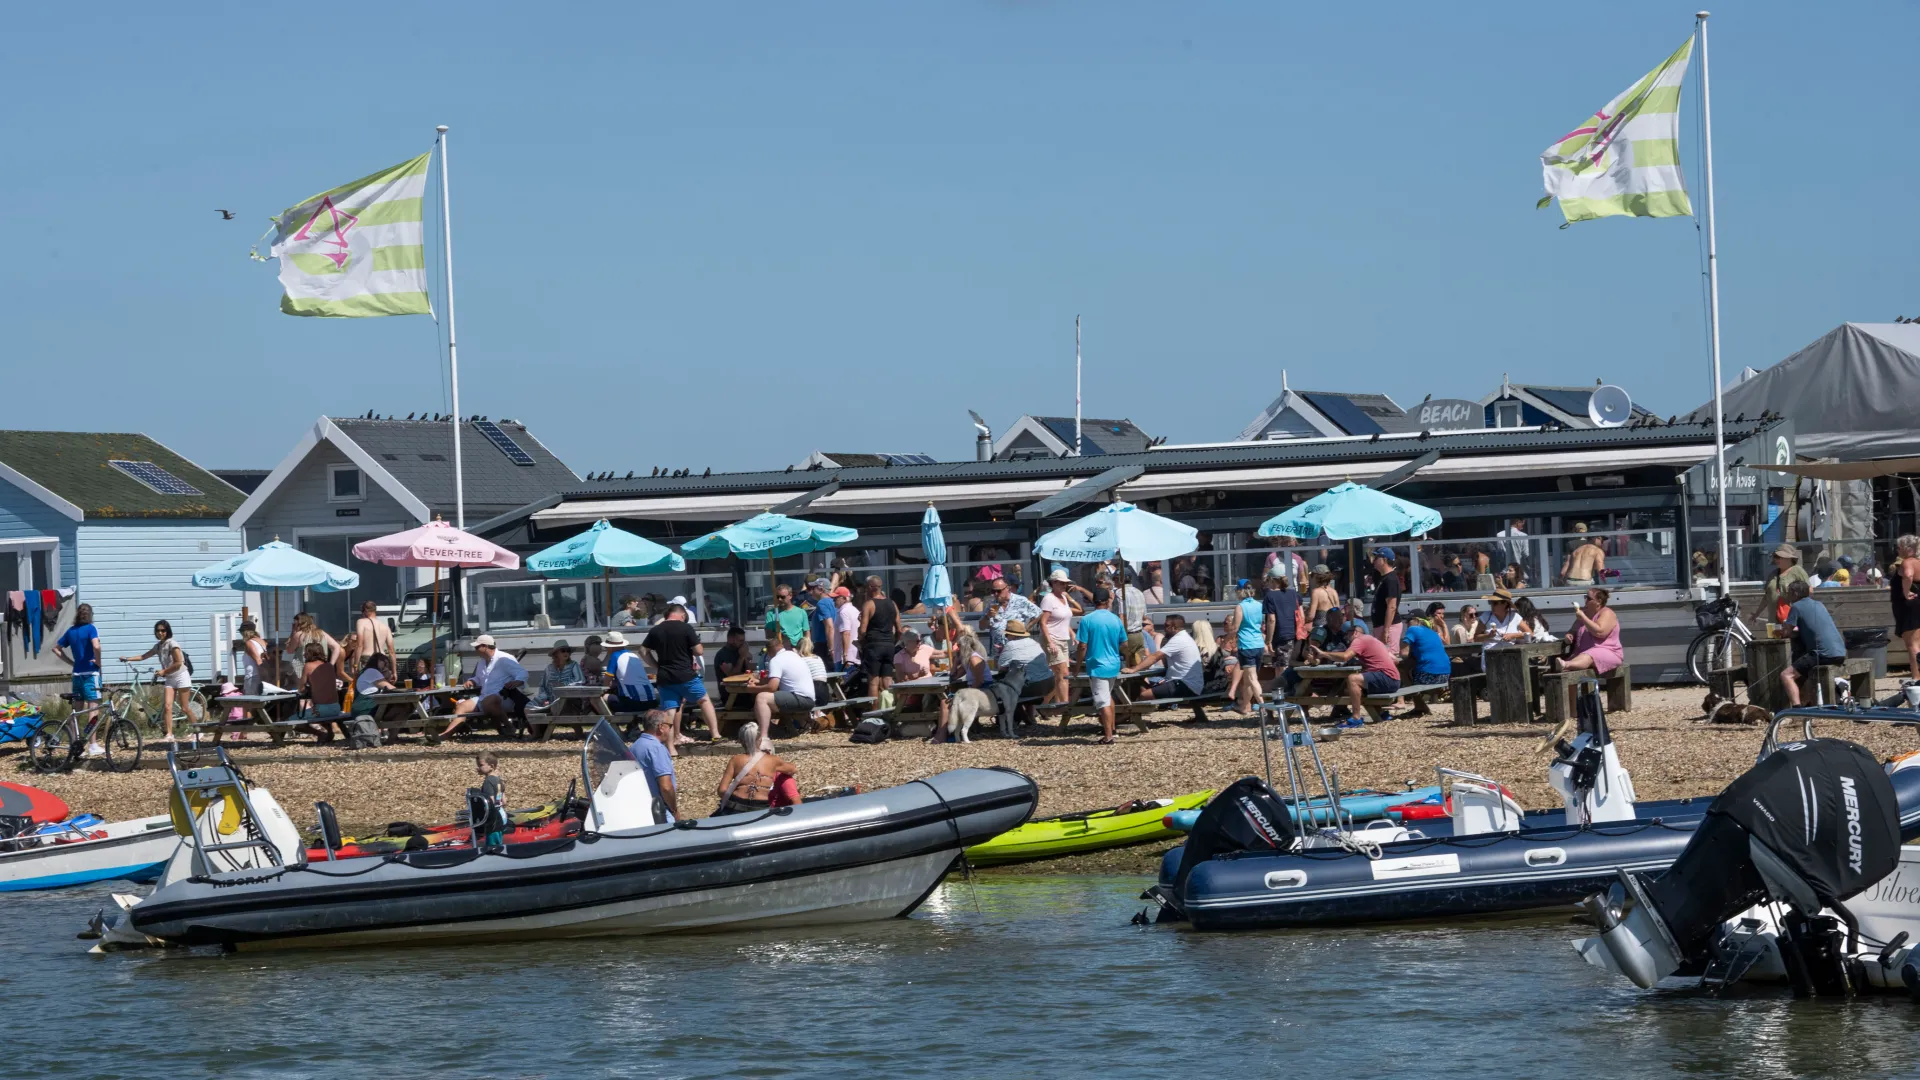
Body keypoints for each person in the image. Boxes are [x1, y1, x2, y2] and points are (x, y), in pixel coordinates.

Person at [643, 604, 717, 749]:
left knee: (670, 710)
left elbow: (642, 650)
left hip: (665, 676)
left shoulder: (656, 630)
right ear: (682, 615)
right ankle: (715, 734)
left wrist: (656, 665)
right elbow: (699, 651)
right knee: (704, 700)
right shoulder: (686, 628)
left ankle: (671, 748)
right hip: (686, 675)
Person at [1307, 623, 1400, 728]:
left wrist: (1323, 654)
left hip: (1386, 678)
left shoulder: (1359, 640)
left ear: (1355, 633)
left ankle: (1356, 718)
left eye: (1348, 633)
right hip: (1395, 680)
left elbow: (1345, 656)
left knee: (1353, 679)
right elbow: (1395, 661)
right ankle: (1380, 713)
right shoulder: (1374, 640)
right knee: (1353, 688)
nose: (1346, 636)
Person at [438, 635, 528, 738]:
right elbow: (479, 678)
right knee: (462, 706)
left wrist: (518, 681)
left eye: (477, 647)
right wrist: (472, 681)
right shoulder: (482, 662)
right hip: (485, 697)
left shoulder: (504, 658)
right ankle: (446, 734)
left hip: (505, 697)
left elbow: (522, 672)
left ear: (485, 646)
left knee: (490, 701)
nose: (475, 650)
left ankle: (508, 727)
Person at [122, 619, 196, 744]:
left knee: (184, 708)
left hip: (181, 676)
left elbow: (179, 663)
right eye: (158, 631)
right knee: (167, 707)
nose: (160, 633)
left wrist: (164, 671)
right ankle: (169, 734)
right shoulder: (158, 646)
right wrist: (127, 658)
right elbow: (144, 656)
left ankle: (198, 730)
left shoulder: (173, 644)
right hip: (170, 678)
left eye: (163, 630)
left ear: (167, 631)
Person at [1781, 581, 1847, 707]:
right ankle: (1813, 700)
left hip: (1822, 654)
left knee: (1786, 675)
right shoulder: (1819, 604)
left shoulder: (1796, 607)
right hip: (1840, 652)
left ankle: (1797, 708)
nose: (1788, 595)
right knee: (1803, 669)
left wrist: (1783, 628)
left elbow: (1786, 633)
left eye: (1789, 592)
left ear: (1795, 593)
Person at [1074, 590, 1127, 745]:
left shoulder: (1087, 620)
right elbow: (1124, 643)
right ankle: (1112, 730)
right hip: (1114, 663)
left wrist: (1077, 667)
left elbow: (1082, 646)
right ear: (1107, 601)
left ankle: (1108, 735)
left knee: (1102, 701)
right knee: (1108, 695)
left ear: (1093, 601)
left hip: (1097, 664)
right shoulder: (1115, 619)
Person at [52, 603, 104, 755]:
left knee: (76, 711)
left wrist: (71, 663)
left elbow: (56, 649)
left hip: (76, 675)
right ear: (90, 615)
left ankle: (76, 745)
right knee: (93, 709)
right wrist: (98, 662)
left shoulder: (71, 631)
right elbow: (97, 646)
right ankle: (92, 745)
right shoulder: (91, 629)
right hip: (90, 674)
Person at [715, 722, 798, 816]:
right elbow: (793, 769)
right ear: (760, 739)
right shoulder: (772, 760)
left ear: (741, 741)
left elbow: (722, 790)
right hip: (760, 806)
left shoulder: (735, 760)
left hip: (736, 804)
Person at [740, 629, 814, 734]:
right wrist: (759, 681)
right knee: (773, 697)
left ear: (769, 651)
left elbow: (772, 687)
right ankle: (782, 728)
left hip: (800, 699)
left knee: (761, 698)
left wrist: (753, 688)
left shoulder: (776, 660)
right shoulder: (792, 655)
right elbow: (777, 680)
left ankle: (764, 734)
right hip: (809, 699)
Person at [1126, 613, 1204, 700]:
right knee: (1148, 685)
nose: (1164, 627)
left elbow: (1155, 657)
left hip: (1184, 684)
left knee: (1143, 695)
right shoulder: (1186, 637)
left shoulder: (1178, 640)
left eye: (1166, 625)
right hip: (1192, 685)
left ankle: (1134, 711)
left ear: (1174, 627)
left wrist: (1134, 669)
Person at [1553, 588, 1624, 675]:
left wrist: (1583, 618)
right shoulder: (1584, 613)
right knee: (1569, 670)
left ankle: (1566, 664)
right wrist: (1569, 635)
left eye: (1589, 598)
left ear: (1599, 601)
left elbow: (1600, 632)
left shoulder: (1607, 613)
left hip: (1608, 652)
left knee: (1589, 655)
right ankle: (1566, 666)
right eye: (1585, 597)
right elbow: (1573, 630)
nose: (1585, 601)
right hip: (1582, 654)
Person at [1037, 570, 1081, 705]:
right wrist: (1050, 642)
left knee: (1060, 675)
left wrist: (1072, 634)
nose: (1064, 585)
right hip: (1052, 638)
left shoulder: (1064, 597)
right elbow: (1043, 622)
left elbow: (1062, 620)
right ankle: (1065, 705)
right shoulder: (1048, 599)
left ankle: (1049, 702)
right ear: (1054, 583)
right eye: (1061, 583)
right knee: (1063, 673)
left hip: (1063, 639)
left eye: (1065, 583)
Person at [1221, 580, 1266, 715]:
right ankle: (1244, 707)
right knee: (1248, 680)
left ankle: (1264, 706)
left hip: (1247, 645)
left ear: (1240, 591)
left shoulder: (1240, 607)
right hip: (1258, 643)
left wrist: (1226, 640)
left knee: (1252, 678)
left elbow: (1235, 627)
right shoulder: (1259, 605)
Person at [628, 710, 679, 820]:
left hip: (641, 808)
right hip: (659, 812)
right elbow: (666, 787)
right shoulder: (657, 749)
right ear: (661, 727)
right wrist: (674, 810)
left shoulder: (635, 746)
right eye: (670, 726)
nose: (671, 730)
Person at [1396, 616, 1451, 717]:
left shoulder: (1413, 629)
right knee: (1412, 668)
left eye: (1408, 621)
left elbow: (1404, 654)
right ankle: (1420, 706)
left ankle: (1419, 706)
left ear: (1417, 621)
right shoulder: (1433, 632)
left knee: (1402, 669)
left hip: (1430, 676)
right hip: (1445, 675)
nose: (1407, 624)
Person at [984, 573, 1040, 662]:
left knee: (1018, 673)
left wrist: (1026, 628)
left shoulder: (1020, 600)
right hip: (999, 652)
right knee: (1001, 675)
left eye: (998, 591)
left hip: (1018, 651)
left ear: (1008, 588)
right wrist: (987, 616)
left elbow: (1039, 613)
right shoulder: (991, 604)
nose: (995, 594)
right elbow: (981, 626)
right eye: (993, 591)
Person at [859, 576, 901, 694]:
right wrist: (893, 642)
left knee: (873, 681)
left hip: (873, 645)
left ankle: (875, 711)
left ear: (870, 587)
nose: (865, 590)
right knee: (888, 678)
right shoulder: (892, 603)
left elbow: (863, 630)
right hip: (889, 645)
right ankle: (892, 707)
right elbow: (899, 629)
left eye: (866, 587)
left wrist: (861, 641)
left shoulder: (869, 604)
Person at [297, 642, 345, 740]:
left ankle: (321, 734)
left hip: (321, 710)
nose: (304, 654)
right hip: (336, 707)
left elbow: (301, 688)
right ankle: (329, 733)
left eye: (305, 652)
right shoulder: (329, 666)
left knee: (296, 722)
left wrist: (308, 687)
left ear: (309, 653)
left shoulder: (308, 666)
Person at [602, 630, 658, 715]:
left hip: (633, 702)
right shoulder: (633, 655)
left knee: (603, 697)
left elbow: (606, 682)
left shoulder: (615, 656)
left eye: (606, 647)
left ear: (610, 647)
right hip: (652, 701)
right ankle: (632, 724)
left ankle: (614, 724)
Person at [1755, 544, 1810, 625]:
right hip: (1773, 621)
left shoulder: (1798, 571)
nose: (1776, 559)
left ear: (1789, 559)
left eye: (1779, 557)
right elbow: (1767, 597)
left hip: (1792, 620)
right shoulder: (1772, 574)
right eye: (1775, 556)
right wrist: (1756, 614)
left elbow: (1809, 592)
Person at [1892, 535, 1920, 680]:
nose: (1897, 550)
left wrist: (1905, 592)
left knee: (1912, 646)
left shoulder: (1907, 562)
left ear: (1908, 549)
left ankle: (1916, 678)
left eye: (1899, 547)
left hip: (1909, 607)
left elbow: (1908, 575)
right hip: (1917, 605)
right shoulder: (1918, 562)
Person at [1262, 565, 1301, 668]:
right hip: (1295, 636)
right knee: (1291, 667)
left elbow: (1271, 620)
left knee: (1281, 669)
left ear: (1271, 580)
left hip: (1280, 637)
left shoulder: (1270, 596)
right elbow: (1301, 614)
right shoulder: (1294, 594)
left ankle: (1281, 685)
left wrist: (1268, 641)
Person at [1369, 549, 1404, 654]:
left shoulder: (1391, 579)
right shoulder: (1383, 578)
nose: (1373, 561)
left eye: (1376, 558)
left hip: (1389, 626)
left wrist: (1386, 630)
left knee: (1389, 657)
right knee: (1381, 656)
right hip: (1381, 625)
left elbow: (1392, 606)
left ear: (1384, 560)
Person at [533, 641, 583, 708]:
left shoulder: (573, 665)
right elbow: (543, 686)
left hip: (570, 699)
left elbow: (580, 680)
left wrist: (564, 684)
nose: (566, 653)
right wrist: (544, 699)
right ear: (556, 654)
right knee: (529, 707)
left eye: (568, 651)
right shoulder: (549, 668)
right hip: (551, 700)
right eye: (563, 651)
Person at [474, 752, 507, 850]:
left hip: (493, 819)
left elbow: (490, 803)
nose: (478, 768)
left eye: (481, 765)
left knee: (492, 846)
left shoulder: (488, 782)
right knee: (499, 841)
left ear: (491, 766)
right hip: (502, 815)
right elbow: (504, 801)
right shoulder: (498, 780)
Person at [763, 584, 808, 657]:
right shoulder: (771, 614)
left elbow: (806, 633)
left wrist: (806, 649)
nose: (779, 599)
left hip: (798, 650)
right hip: (780, 651)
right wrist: (782, 637)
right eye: (777, 597)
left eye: (782, 597)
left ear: (790, 596)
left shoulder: (801, 612)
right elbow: (768, 635)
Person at [354, 600, 395, 668]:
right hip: (382, 660)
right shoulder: (385, 627)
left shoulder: (361, 622)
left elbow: (359, 645)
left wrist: (355, 664)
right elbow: (391, 651)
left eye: (362, 611)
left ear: (366, 611)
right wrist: (394, 671)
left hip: (367, 659)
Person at [805, 578, 837, 661]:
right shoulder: (833, 601)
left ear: (820, 589)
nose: (811, 591)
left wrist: (831, 649)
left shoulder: (822, 603)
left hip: (824, 645)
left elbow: (829, 626)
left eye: (813, 588)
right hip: (833, 642)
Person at [830, 586, 861, 670]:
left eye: (835, 598)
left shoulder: (843, 612)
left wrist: (845, 655)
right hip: (855, 655)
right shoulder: (854, 610)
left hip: (845, 658)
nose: (833, 601)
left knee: (843, 682)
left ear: (844, 598)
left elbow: (846, 633)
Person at [236, 620, 268, 695]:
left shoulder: (249, 643)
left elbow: (258, 660)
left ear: (245, 632)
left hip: (253, 677)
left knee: (250, 704)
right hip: (262, 675)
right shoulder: (262, 642)